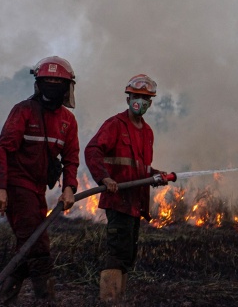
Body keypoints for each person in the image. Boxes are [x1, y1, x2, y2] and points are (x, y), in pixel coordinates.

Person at [0, 56, 79, 304]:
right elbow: (3, 149)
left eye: (57, 81)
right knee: (38, 247)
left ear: (67, 86)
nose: (52, 84)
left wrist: (70, 187)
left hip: (37, 191)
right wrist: (0, 188)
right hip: (17, 187)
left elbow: (71, 158)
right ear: (38, 83)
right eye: (47, 80)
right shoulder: (23, 112)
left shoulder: (67, 121)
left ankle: (3, 301)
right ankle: (46, 301)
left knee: (25, 248)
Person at [84, 74, 169, 303]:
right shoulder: (115, 125)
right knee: (117, 253)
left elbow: (142, 168)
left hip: (135, 203)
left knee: (128, 255)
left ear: (150, 102)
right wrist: (104, 178)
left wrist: (156, 176)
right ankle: (109, 300)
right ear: (128, 97)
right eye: (136, 96)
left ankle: (119, 299)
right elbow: (92, 151)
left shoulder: (147, 132)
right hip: (117, 200)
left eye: (144, 98)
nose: (139, 101)